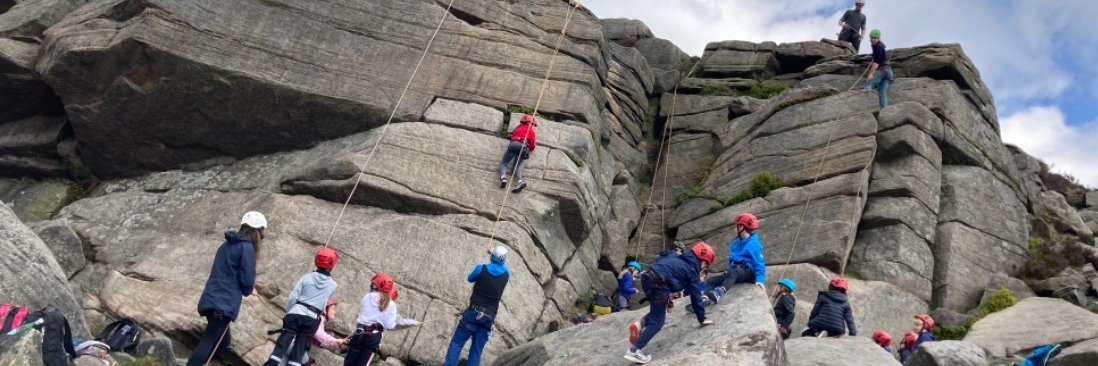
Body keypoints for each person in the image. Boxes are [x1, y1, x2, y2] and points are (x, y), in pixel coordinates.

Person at [187, 211, 265, 366]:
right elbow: (247, 279)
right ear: (258, 232)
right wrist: (249, 290)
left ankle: (206, 363)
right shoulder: (246, 247)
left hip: (211, 297)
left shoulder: (226, 245)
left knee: (224, 340)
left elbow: (227, 272)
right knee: (209, 341)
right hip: (223, 303)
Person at [624, 243, 716, 364]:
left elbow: (662, 254)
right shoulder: (693, 270)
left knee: (658, 310)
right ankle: (634, 350)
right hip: (659, 284)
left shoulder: (676, 256)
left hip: (647, 278)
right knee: (658, 321)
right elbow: (696, 296)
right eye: (706, 265)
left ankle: (640, 324)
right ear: (703, 262)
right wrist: (702, 318)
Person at [263, 247, 340, 366]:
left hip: (296, 312)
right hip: (311, 319)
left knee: (280, 349)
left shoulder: (307, 277)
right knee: (298, 352)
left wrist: (290, 312)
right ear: (332, 264)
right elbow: (323, 303)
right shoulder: (333, 285)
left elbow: (293, 297)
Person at [444, 246, 512, 366]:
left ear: (492, 256)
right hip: (488, 318)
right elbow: (500, 267)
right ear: (505, 259)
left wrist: (488, 257)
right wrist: (493, 254)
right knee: (476, 351)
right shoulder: (506, 274)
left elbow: (470, 278)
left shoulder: (481, 268)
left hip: (472, 313)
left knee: (457, 343)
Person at [344, 274, 419, 366]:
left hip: (359, 333)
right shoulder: (391, 305)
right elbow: (390, 326)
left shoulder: (367, 296)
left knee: (348, 363)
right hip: (373, 338)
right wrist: (411, 323)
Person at [703, 213, 765, 304]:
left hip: (748, 272)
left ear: (741, 227)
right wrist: (728, 270)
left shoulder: (754, 244)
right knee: (711, 280)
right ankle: (704, 298)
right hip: (735, 271)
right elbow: (731, 261)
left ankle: (719, 292)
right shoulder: (736, 244)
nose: (734, 229)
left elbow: (759, 263)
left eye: (736, 226)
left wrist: (759, 280)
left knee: (735, 272)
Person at [499, 114, 538, 193]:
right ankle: (520, 181)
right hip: (524, 148)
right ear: (530, 123)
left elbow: (510, 136)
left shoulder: (518, 128)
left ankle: (503, 178)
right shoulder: (531, 132)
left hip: (515, 144)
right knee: (516, 168)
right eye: (532, 124)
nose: (532, 126)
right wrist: (528, 148)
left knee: (503, 163)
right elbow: (533, 146)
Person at [863, 29, 893, 108]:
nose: (871, 40)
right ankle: (884, 111)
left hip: (882, 70)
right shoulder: (879, 46)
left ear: (878, 38)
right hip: (889, 73)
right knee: (882, 92)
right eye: (871, 38)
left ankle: (866, 106)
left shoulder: (877, 47)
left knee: (869, 84)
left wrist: (871, 74)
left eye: (873, 38)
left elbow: (876, 63)